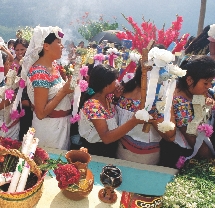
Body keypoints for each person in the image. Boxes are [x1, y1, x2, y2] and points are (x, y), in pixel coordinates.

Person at [21, 26, 74, 150]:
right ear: (46, 46)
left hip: (59, 127)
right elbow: (40, 113)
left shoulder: (53, 65)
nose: (62, 46)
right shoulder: (39, 72)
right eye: (58, 42)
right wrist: (64, 90)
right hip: (49, 129)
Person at [159, 55, 215, 168]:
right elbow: (194, 140)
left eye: (211, 82)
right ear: (189, 80)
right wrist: (210, 161)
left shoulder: (196, 92)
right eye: (206, 83)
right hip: (185, 154)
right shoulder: (180, 102)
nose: (209, 87)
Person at [78, 64, 144, 158]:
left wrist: (116, 98)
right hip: (97, 152)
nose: (117, 83)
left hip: (109, 149)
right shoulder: (93, 106)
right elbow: (106, 138)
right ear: (106, 85)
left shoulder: (107, 97)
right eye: (114, 80)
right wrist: (134, 121)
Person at [116, 63, 176, 165]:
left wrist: (151, 116)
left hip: (144, 156)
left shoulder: (161, 95)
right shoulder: (128, 87)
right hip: (125, 151)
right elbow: (170, 136)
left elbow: (170, 136)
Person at [0, 45, 20, 140]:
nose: (10, 65)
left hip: (12, 125)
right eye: (7, 63)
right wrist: (13, 97)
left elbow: (12, 59)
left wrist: (3, 48)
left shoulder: (6, 78)